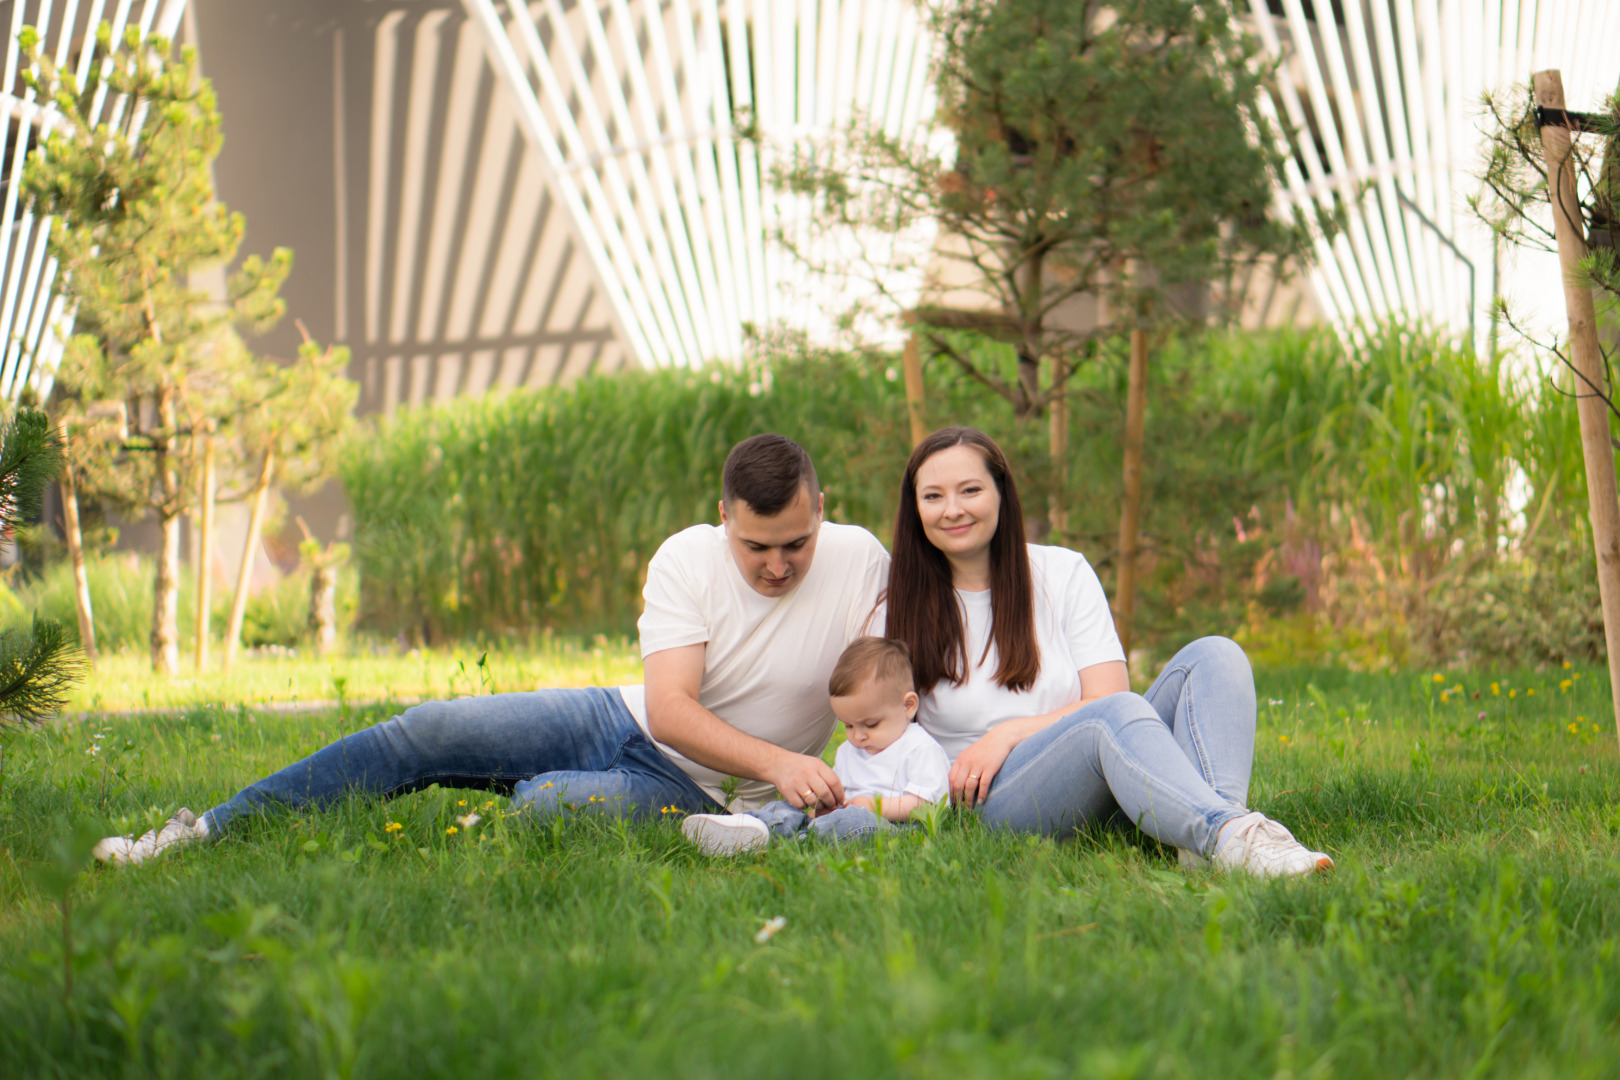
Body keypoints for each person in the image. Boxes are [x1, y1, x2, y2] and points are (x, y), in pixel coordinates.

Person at [94, 434, 890, 865]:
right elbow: (672, 710)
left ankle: (574, 802)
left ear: (822, 509)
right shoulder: (687, 556)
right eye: (758, 547)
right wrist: (783, 762)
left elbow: (919, 675)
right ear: (724, 517)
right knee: (429, 729)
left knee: (546, 808)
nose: (779, 564)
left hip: (711, 798)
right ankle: (203, 832)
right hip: (618, 719)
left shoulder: (861, 563)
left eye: (796, 541)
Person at [882, 426, 1332, 878]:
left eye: (971, 490)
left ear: (1001, 492)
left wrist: (1010, 732)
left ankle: (1210, 841)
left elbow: (1111, 696)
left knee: (1217, 655)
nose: (953, 510)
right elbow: (874, 726)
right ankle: (1233, 838)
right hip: (991, 799)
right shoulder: (897, 601)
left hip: (1101, 775)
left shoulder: (1062, 571)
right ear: (915, 508)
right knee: (1107, 718)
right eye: (933, 496)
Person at [681, 636, 950, 855]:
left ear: (908, 706)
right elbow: (839, 798)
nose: (857, 736)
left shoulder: (919, 748)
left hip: (896, 830)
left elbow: (926, 806)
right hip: (841, 821)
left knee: (854, 822)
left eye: (870, 724)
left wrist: (874, 806)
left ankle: (782, 841)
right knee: (785, 806)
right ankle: (751, 825)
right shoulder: (850, 751)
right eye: (849, 725)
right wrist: (824, 807)